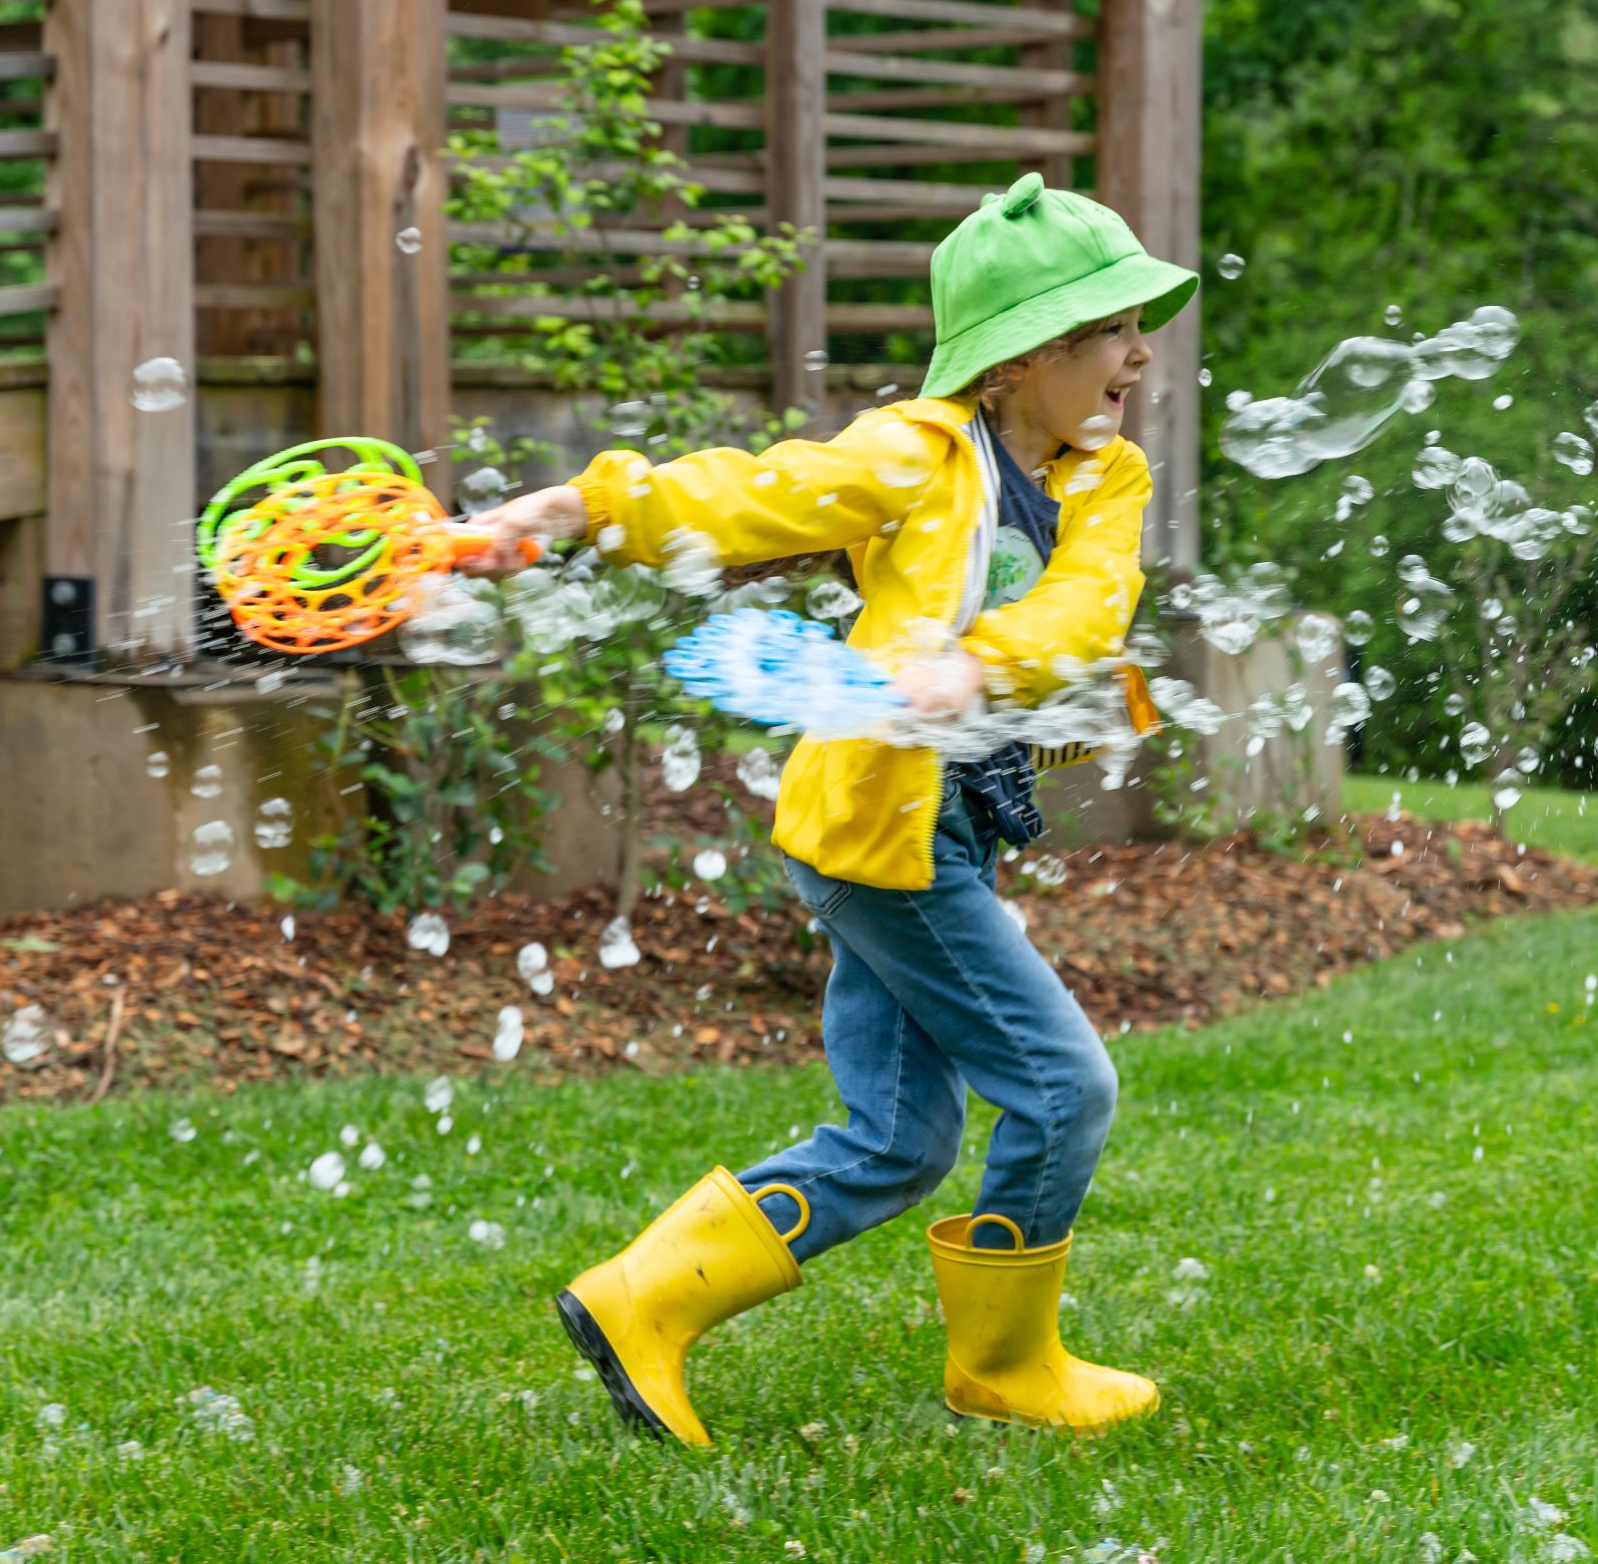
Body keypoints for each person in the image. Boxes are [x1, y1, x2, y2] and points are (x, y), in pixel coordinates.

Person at [463, 170, 1197, 1447]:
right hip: (883, 840)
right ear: (1021, 358)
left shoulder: (1106, 475)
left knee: (902, 1142)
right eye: (1109, 331)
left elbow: (1090, 607)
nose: (1140, 353)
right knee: (1063, 1088)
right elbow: (757, 490)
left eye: (1138, 327)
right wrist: (573, 508)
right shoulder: (917, 454)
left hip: (937, 832)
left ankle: (641, 1300)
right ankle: (1007, 1365)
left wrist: (976, 664)